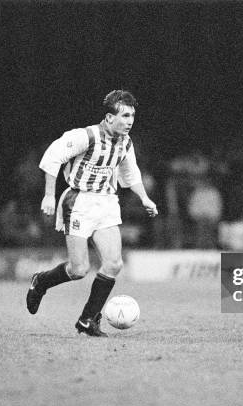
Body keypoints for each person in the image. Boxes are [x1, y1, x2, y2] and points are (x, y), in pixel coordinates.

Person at [26, 90, 158, 337]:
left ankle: (88, 319)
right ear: (109, 118)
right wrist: (49, 195)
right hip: (79, 201)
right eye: (125, 115)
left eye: (132, 115)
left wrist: (144, 198)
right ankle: (40, 282)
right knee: (79, 270)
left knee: (114, 263)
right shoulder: (85, 136)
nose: (130, 121)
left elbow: (130, 175)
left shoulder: (125, 143)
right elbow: (52, 158)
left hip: (107, 203)